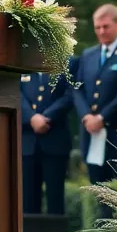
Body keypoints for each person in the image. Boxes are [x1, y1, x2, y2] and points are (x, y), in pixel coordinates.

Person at [73, 5, 117, 187]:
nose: (101, 31)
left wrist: (102, 118)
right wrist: (86, 116)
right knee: (96, 189)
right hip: (91, 133)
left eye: (106, 26)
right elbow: (77, 87)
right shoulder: (89, 55)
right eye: (98, 27)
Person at [20, 56, 79, 217]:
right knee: (27, 201)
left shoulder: (67, 61)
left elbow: (71, 94)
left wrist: (46, 117)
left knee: (55, 200)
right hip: (26, 143)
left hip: (55, 140)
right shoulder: (21, 59)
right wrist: (31, 118)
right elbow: (15, 92)